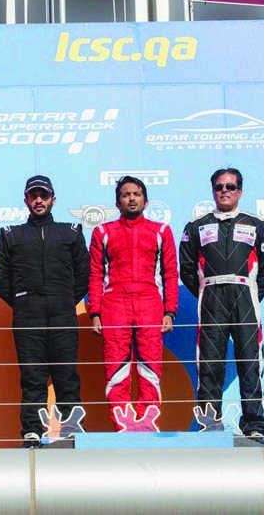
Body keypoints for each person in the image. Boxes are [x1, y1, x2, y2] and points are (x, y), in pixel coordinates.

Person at [0, 175, 90, 447]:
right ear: (25, 200)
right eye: (33, 196)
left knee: (66, 375)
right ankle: (32, 433)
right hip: (27, 315)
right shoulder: (10, 234)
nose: (38, 200)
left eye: (43, 196)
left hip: (62, 313)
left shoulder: (71, 232)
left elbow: (84, 274)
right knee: (32, 376)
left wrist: (64, 299)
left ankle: (72, 431)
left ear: (53, 199)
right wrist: (23, 301)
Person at [179, 168, 264, 441]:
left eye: (230, 186)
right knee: (209, 363)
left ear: (240, 191)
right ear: (213, 191)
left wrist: (252, 293)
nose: (224, 191)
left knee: (250, 361)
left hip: (245, 295)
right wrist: (206, 292)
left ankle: (254, 425)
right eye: (219, 186)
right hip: (211, 296)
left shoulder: (258, 224)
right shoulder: (195, 226)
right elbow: (187, 269)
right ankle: (209, 423)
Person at [88, 176, 178, 431]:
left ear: (146, 201)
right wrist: (95, 312)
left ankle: (147, 423)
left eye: (136, 194)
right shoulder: (102, 232)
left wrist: (170, 311)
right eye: (126, 194)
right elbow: (95, 275)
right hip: (114, 304)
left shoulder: (161, 231)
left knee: (150, 365)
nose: (131, 198)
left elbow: (170, 274)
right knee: (116, 366)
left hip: (150, 303)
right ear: (118, 203)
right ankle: (123, 425)